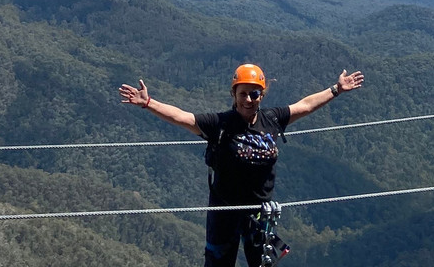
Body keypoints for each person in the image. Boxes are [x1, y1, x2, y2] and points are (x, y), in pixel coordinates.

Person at [119, 63, 364, 267]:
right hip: (224, 212)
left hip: (259, 212)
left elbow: (305, 105)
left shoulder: (272, 119)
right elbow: (183, 117)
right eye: (243, 93)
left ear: (262, 95)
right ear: (234, 95)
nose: (249, 99)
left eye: (254, 93)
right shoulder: (220, 124)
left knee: (261, 264)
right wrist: (148, 102)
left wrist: (336, 89)